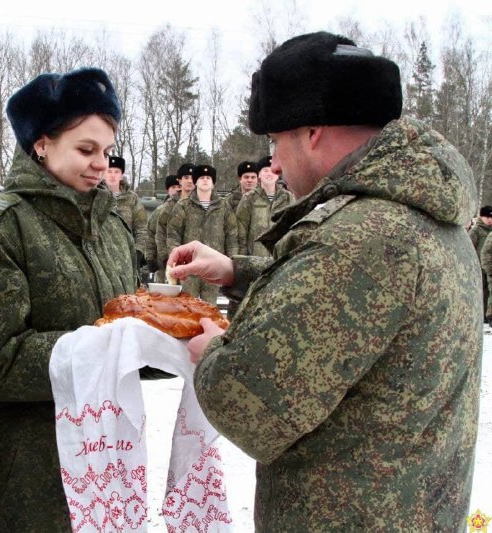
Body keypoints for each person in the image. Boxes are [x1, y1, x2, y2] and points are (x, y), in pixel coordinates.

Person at [167, 31, 481, 532]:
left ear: (311, 131)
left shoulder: (360, 240)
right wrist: (236, 269)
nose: (273, 163)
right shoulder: (419, 212)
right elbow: (356, 311)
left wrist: (213, 352)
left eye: (275, 141)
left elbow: (248, 400)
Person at [0, 67, 138, 530]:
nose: (102, 164)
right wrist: (102, 346)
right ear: (41, 144)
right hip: (35, 468)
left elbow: (126, 332)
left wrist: (165, 339)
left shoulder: (112, 229)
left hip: (110, 453)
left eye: (107, 151)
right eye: (86, 149)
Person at [166, 163, 237, 304]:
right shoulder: (183, 206)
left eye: (208, 178)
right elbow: (173, 233)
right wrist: (176, 260)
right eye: (202, 178)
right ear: (196, 182)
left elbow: (232, 235)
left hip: (214, 266)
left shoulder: (223, 207)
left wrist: (231, 261)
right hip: (188, 267)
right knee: (186, 306)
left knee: (210, 308)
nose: (205, 180)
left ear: (213, 183)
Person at [236, 155, 294, 256]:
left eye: (272, 170)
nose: (269, 174)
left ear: (278, 174)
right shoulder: (249, 198)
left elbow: (294, 227)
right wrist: (242, 258)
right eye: (265, 170)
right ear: (259, 174)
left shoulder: (288, 198)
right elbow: (241, 232)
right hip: (256, 259)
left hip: (281, 258)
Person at [106, 154, 149, 267]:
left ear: (121, 176)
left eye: (116, 172)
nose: (112, 175)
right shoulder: (95, 196)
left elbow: (141, 228)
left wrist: (138, 252)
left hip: (127, 257)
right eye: (109, 171)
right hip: (102, 256)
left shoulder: (132, 199)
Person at [156, 163, 194, 277]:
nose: (190, 181)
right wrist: (165, 258)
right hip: (173, 260)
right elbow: (160, 232)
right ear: (180, 181)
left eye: (192, 178)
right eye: (186, 177)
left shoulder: (200, 204)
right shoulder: (170, 205)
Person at [146, 174, 181, 281]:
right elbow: (151, 234)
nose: (176, 190)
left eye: (178, 187)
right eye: (173, 187)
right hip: (162, 262)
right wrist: (150, 258)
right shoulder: (160, 211)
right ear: (168, 190)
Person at [470, 205, 492, 322]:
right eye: (487, 217)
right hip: (478, 266)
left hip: (488, 267)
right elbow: (469, 248)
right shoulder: (476, 231)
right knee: (481, 292)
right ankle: (481, 315)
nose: (489, 220)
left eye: (491, 217)